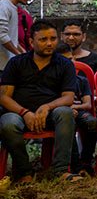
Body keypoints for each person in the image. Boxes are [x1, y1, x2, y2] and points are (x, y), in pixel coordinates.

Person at [0, 19, 77, 183]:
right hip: (19, 113)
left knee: (65, 112)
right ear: (31, 42)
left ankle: (61, 171)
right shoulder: (17, 63)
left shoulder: (65, 64)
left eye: (53, 39)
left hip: (50, 114)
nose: (49, 43)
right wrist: (24, 112)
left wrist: (47, 107)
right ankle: (24, 173)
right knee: (8, 122)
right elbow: (3, 96)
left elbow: (68, 97)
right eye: (43, 39)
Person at [0, 0, 38, 70]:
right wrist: (18, 54)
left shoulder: (13, 7)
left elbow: (11, 37)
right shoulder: (4, 6)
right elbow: (2, 35)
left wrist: (23, 53)